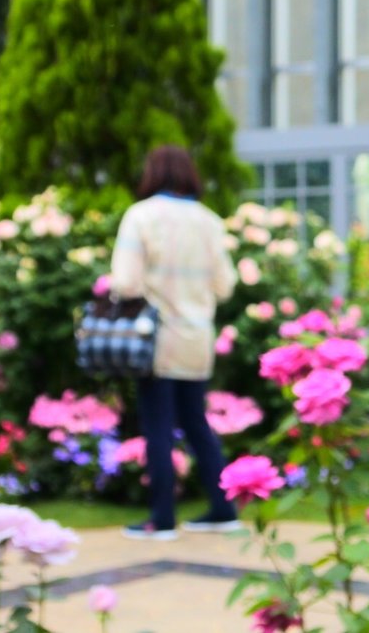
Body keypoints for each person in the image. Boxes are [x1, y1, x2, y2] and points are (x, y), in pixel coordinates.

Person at [110, 145, 240, 540]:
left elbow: (125, 282)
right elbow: (226, 285)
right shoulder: (209, 221)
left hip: (154, 339)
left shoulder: (142, 216)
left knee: (158, 426)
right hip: (197, 336)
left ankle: (161, 518)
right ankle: (223, 507)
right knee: (196, 422)